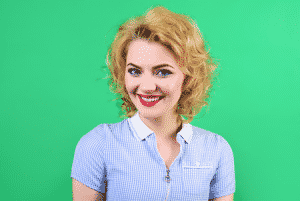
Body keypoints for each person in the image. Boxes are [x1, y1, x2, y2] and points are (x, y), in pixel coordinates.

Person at [71, 5, 235, 201]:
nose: (147, 86)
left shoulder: (216, 149)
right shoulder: (97, 144)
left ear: (188, 77)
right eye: (135, 71)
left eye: (163, 72)